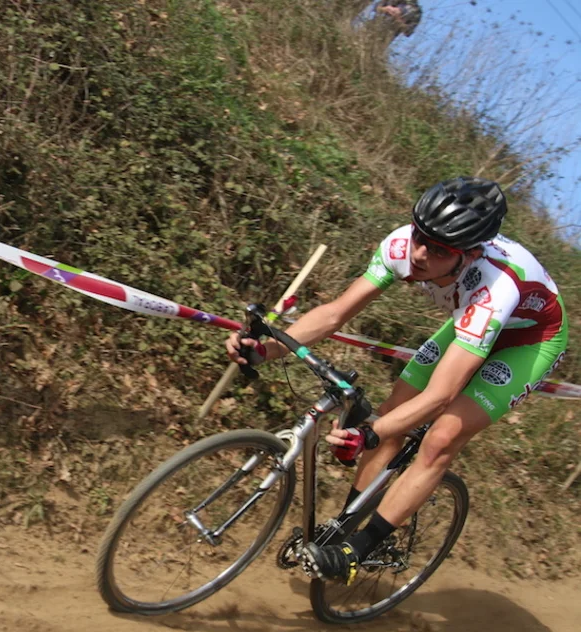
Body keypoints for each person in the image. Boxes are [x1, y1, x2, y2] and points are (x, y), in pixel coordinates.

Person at [225, 177, 569, 584]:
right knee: (393, 412)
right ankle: (347, 524)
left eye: (439, 250)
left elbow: (441, 395)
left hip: (528, 341)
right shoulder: (401, 245)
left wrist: (369, 434)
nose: (420, 254)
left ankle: (359, 548)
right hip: (470, 326)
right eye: (421, 238)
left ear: (470, 255)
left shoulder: (495, 287)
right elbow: (336, 313)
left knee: (440, 438)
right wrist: (267, 350)